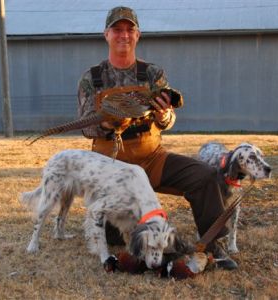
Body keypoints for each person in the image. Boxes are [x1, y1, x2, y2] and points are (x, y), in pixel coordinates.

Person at [77, 6, 237, 270]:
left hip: (151, 158)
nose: (123, 35)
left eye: (129, 30)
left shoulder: (153, 74)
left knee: (205, 176)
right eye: (117, 29)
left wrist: (163, 114)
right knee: (114, 237)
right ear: (106, 34)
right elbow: (85, 126)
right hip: (111, 166)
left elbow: (168, 121)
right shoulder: (91, 78)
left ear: (137, 35)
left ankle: (212, 244)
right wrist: (106, 122)